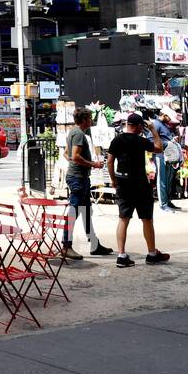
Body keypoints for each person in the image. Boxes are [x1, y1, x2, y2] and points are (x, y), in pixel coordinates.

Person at [105, 113, 170, 268]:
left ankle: (121, 255)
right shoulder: (140, 141)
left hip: (123, 182)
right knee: (146, 219)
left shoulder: (117, 140)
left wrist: (113, 180)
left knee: (123, 218)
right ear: (139, 126)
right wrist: (154, 130)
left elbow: (109, 160)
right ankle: (152, 253)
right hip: (140, 184)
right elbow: (159, 148)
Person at [63, 107, 109, 260]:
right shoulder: (78, 134)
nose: (91, 121)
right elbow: (75, 156)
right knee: (74, 211)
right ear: (84, 120)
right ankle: (66, 245)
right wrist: (93, 164)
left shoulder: (73, 132)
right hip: (78, 178)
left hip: (78, 177)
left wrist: (76, 163)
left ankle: (94, 244)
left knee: (86, 212)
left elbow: (67, 154)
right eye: (89, 118)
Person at [151, 111, 180, 211]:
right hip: (160, 155)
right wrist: (167, 143)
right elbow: (151, 140)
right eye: (169, 117)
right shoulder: (156, 124)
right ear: (164, 115)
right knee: (162, 180)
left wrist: (172, 140)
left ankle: (167, 201)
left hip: (168, 156)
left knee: (168, 180)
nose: (170, 120)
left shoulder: (164, 125)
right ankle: (163, 204)